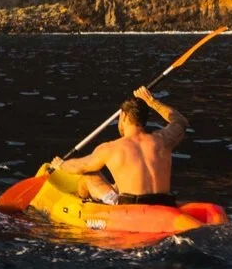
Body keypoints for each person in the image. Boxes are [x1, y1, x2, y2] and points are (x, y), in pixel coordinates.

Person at [49, 85, 187, 204]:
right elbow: (180, 122)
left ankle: (84, 209)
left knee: (89, 175)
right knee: (115, 185)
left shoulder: (110, 148)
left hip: (130, 209)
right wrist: (151, 101)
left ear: (124, 117)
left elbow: (80, 167)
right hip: (164, 205)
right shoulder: (164, 140)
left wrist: (60, 165)